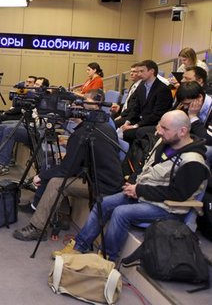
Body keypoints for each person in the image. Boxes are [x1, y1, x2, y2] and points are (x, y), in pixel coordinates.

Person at [55, 110, 209, 262]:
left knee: (121, 213)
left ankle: (106, 258)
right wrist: (133, 182)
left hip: (167, 208)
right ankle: (79, 246)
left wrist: (139, 190)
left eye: (165, 128)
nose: (158, 131)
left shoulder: (193, 162)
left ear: (182, 131)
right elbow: (145, 165)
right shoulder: (164, 142)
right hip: (145, 195)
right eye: (159, 126)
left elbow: (177, 195)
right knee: (103, 203)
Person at [13, 90, 124, 241]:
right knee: (57, 172)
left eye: (75, 105)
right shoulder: (105, 124)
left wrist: (41, 176)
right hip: (108, 179)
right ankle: (62, 216)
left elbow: (67, 169)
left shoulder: (83, 132)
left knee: (57, 183)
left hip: (102, 185)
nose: (71, 107)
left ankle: (37, 228)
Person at [0, 77, 49, 176]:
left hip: (36, 131)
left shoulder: (45, 101)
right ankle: (7, 158)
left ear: (44, 88)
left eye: (37, 85)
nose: (34, 86)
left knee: (9, 130)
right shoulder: (33, 97)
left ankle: (3, 165)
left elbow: (41, 124)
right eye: (35, 84)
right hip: (27, 124)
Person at [118, 59, 172, 144]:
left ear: (152, 71)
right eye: (138, 71)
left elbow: (157, 115)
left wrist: (136, 125)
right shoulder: (141, 86)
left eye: (142, 71)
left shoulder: (162, 89)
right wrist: (127, 122)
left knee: (128, 133)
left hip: (154, 123)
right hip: (142, 120)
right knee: (121, 127)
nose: (139, 74)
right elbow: (135, 108)